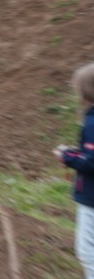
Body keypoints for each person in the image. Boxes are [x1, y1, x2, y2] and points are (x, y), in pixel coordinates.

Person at [55, 63, 94, 279]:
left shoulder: (92, 122)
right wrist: (75, 154)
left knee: (87, 252)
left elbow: (91, 162)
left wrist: (67, 156)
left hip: (91, 197)